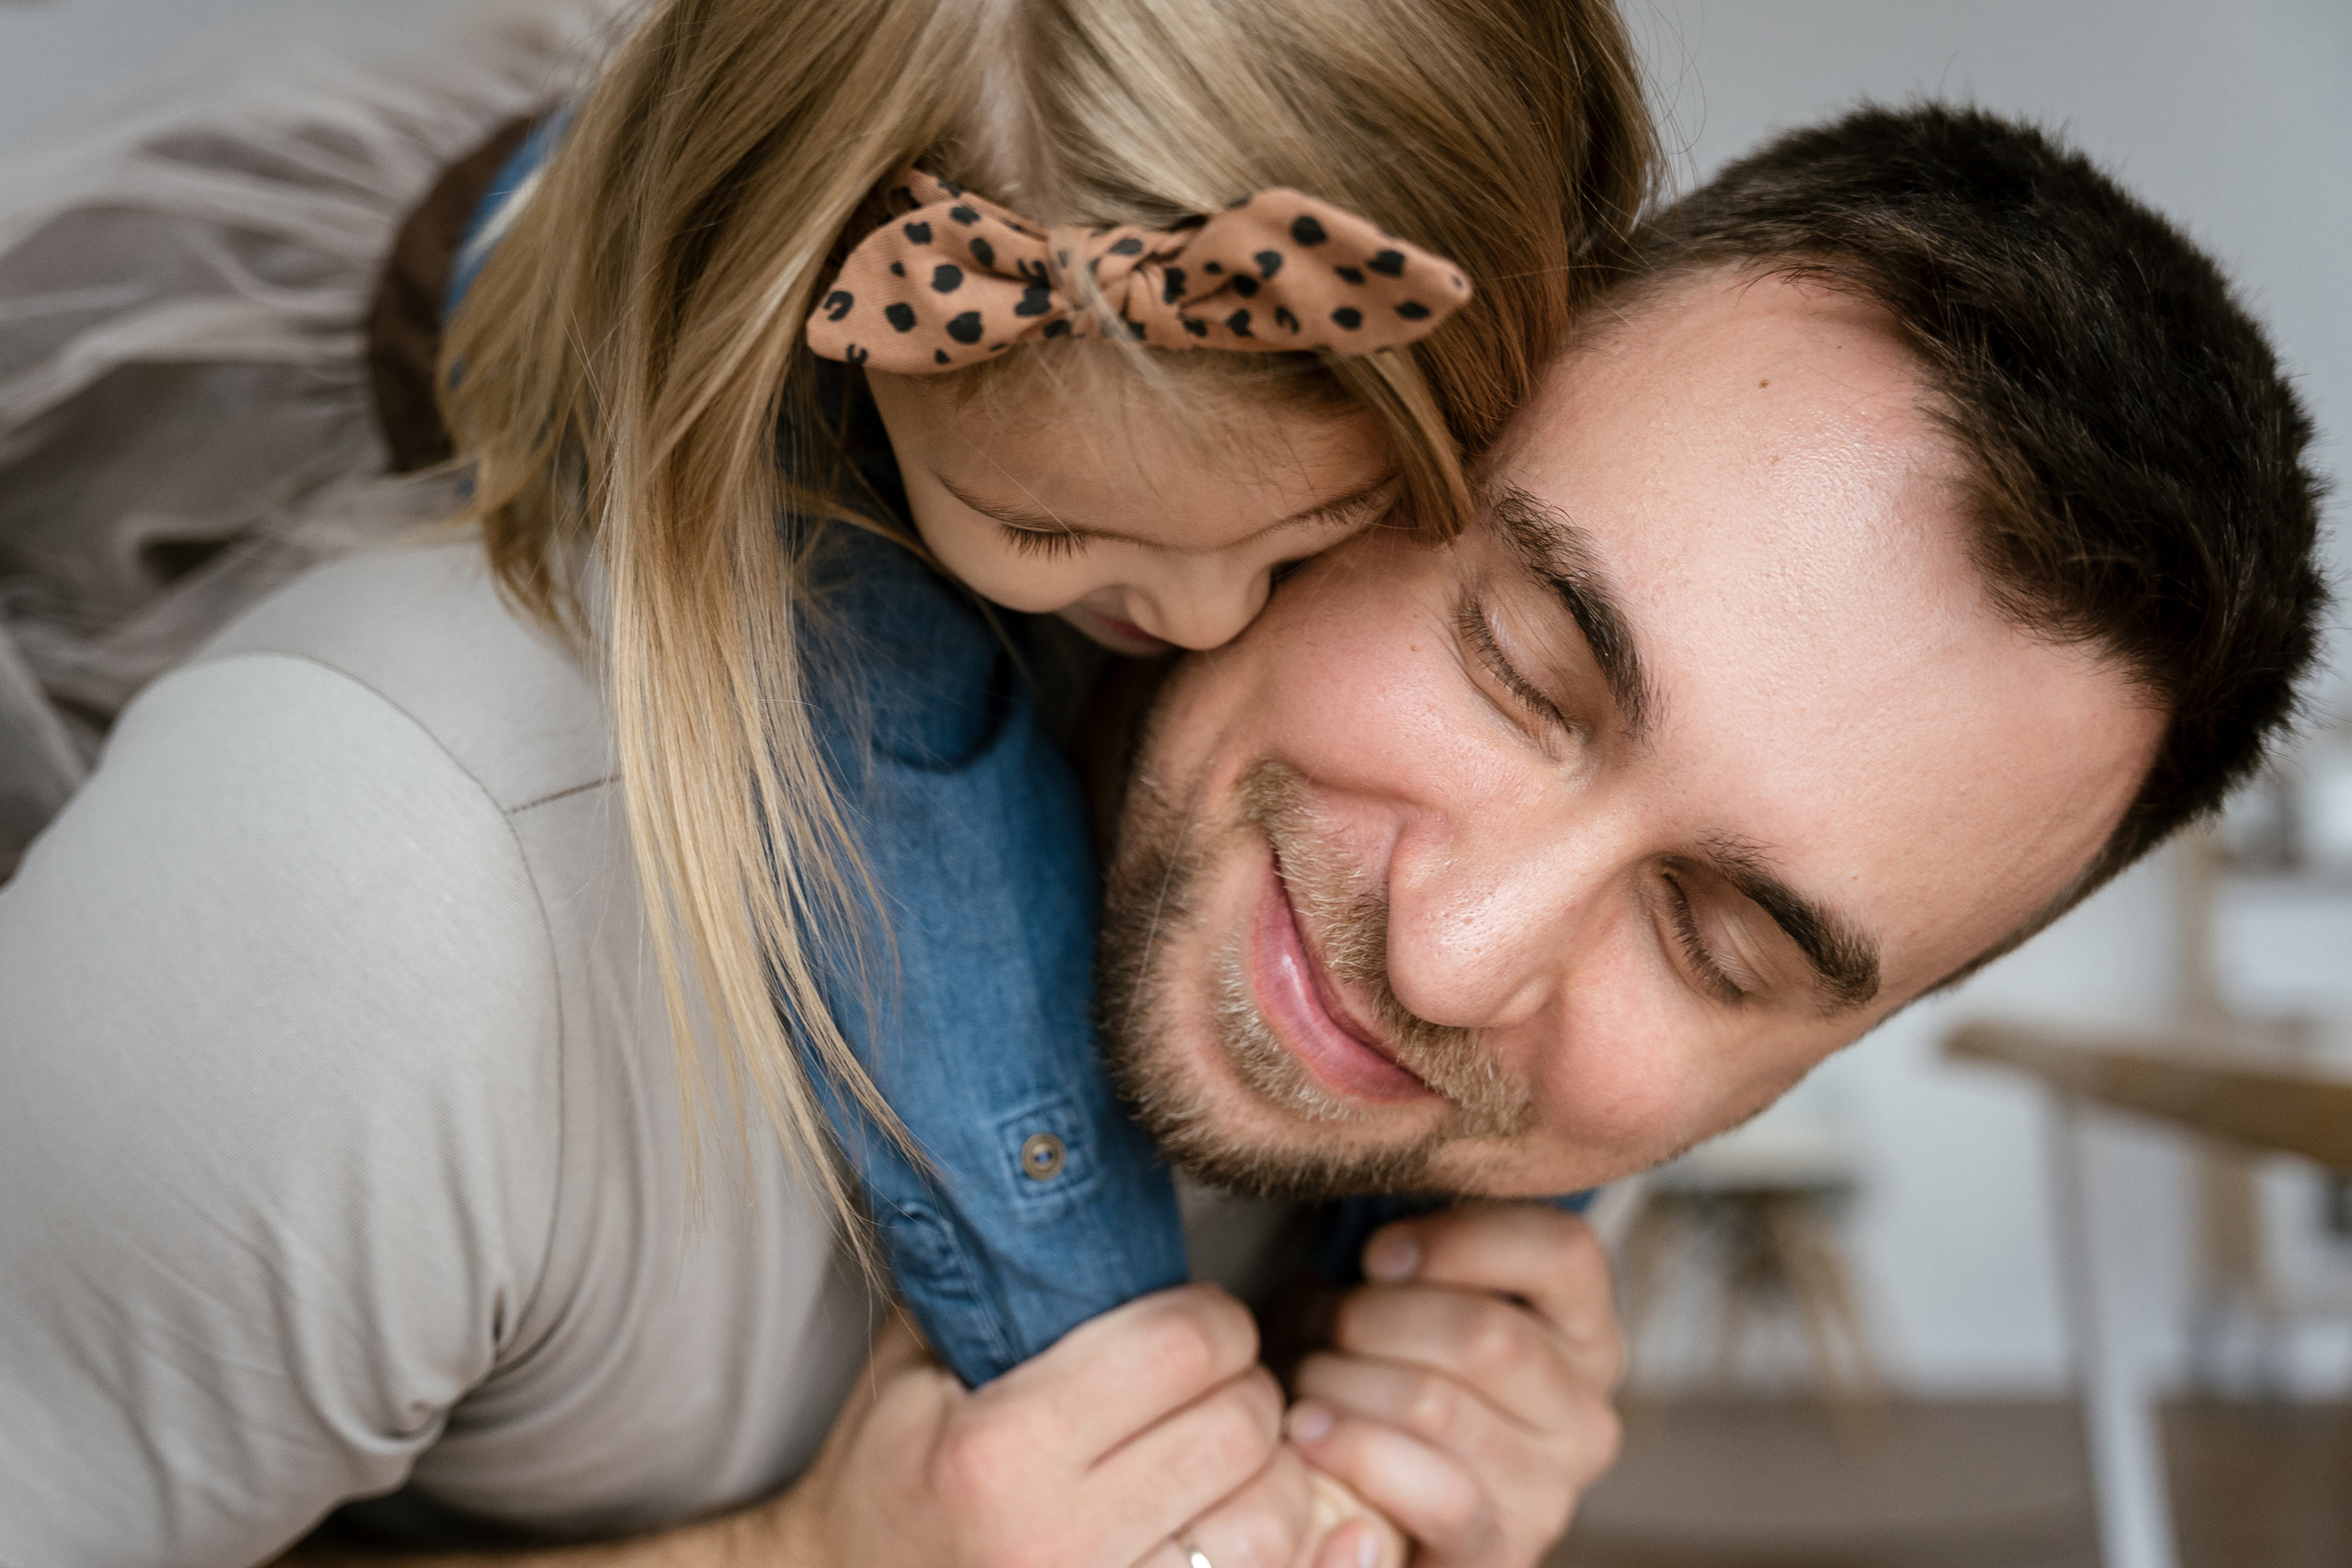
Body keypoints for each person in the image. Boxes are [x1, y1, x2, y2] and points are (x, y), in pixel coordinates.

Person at [0, 81, 2325, 1568]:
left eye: (1718, 944)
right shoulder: (384, 873)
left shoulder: (1409, 1207)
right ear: (1384, 428)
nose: (1454, 951)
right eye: (1524, 660)